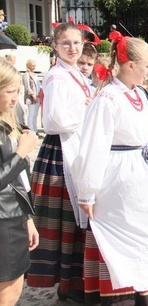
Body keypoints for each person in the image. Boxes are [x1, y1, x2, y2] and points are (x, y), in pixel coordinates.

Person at [72, 33, 148, 305]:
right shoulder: (107, 99)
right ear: (130, 65)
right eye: (147, 65)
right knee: (124, 238)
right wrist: (87, 192)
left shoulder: (139, 94)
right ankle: (125, 296)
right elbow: (93, 146)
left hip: (144, 175)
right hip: (119, 178)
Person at [27, 23, 91, 303]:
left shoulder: (74, 73)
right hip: (60, 153)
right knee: (65, 220)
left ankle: (75, 281)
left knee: (76, 219)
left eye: (76, 43)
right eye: (66, 43)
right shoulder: (57, 77)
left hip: (75, 148)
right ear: (55, 45)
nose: (73, 48)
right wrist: (87, 111)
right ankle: (67, 285)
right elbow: (53, 120)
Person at [0, 59, 39, 306]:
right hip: (3, 219)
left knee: (13, 288)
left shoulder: (8, 122)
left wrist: (28, 219)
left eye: (18, 91)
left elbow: (19, 180)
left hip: (13, 214)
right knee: (9, 291)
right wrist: (21, 152)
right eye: (10, 91)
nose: (16, 98)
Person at [22, 60, 40, 133]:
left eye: (35, 65)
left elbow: (38, 85)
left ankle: (35, 129)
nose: (34, 67)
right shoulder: (26, 74)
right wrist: (33, 96)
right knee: (31, 114)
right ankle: (31, 129)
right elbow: (27, 87)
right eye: (32, 65)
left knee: (35, 114)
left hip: (37, 96)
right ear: (28, 65)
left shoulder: (35, 75)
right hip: (31, 98)